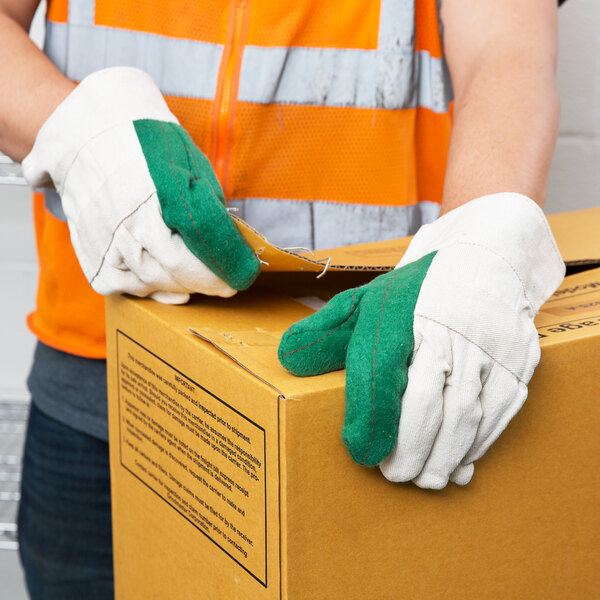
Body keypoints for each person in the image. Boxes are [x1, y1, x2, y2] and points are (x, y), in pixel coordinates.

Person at [0, 0, 567, 597]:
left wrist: (480, 241)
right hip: (103, 381)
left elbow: (506, 48)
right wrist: (69, 126)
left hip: (350, 382)